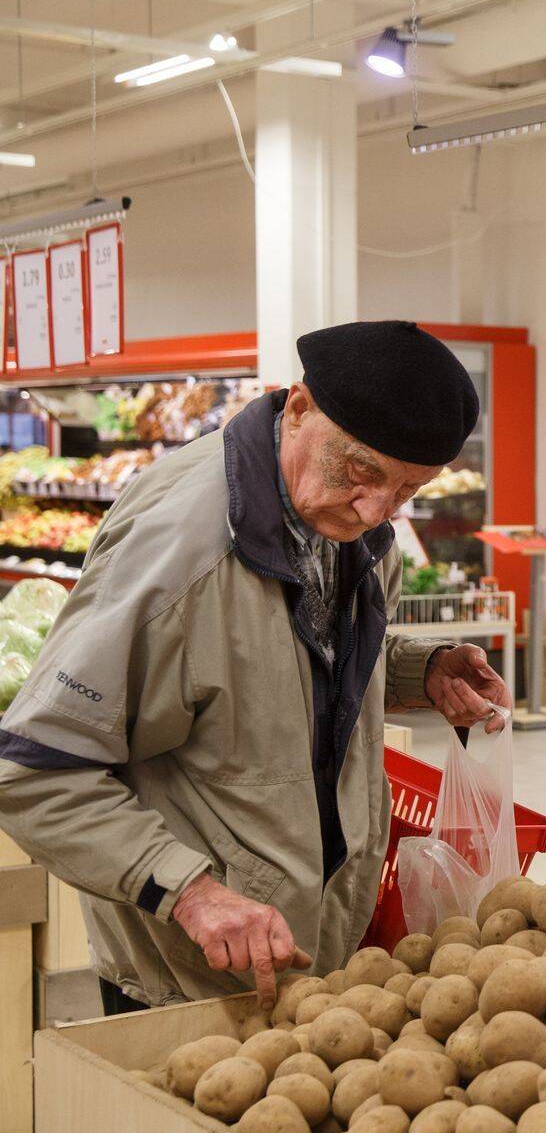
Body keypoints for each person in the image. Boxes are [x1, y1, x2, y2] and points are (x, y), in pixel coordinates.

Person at [0, 321, 512, 1011]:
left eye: (406, 491)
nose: (375, 509)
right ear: (296, 407)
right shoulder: (180, 555)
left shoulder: (358, 530)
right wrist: (189, 890)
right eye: (359, 472)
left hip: (307, 953)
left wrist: (419, 669)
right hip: (185, 976)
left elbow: (284, 662)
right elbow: (33, 772)